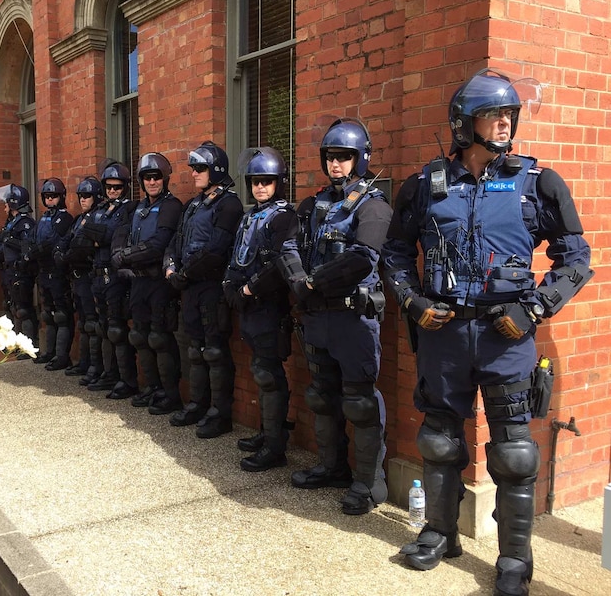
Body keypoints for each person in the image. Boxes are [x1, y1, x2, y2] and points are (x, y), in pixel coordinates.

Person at [382, 69, 593, 596]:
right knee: (438, 439)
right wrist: (414, 301)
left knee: (514, 452)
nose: (504, 122)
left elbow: (576, 258)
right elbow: (392, 255)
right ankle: (438, 532)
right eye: (492, 114)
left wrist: (535, 309)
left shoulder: (537, 183)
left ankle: (514, 562)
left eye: (510, 114)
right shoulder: (425, 185)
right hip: (444, 333)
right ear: (463, 123)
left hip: (507, 337)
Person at [290, 118, 391, 515]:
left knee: (360, 403)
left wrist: (312, 282)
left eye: (345, 157)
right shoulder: (313, 204)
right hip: (318, 318)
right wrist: (297, 277)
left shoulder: (374, 205)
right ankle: (330, 467)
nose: (336, 164)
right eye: (331, 157)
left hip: (353, 320)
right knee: (321, 396)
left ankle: (369, 484)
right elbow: (289, 245)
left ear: (360, 159)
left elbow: (362, 257)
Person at [223, 147, 301, 457]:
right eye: (255, 181)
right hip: (249, 307)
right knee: (260, 370)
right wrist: (230, 284)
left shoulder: (284, 217)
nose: (260, 187)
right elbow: (237, 255)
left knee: (269, 374)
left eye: (266, 182)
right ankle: (265, 433)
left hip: (268, 305)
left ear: (278, 183)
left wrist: (249, 290)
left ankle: (274, 445)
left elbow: (280, 265)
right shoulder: (249, 216)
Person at [165, 142, 244, 435]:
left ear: (216, 170)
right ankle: (198, 404)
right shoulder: (194, 204)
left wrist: (184, 273)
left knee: (214, 351)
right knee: (195, 350)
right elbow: (176, 240)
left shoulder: (229, 203)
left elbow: (217, 249)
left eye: (200, 168)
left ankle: (219, 414)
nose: (194, 173)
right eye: (193, 168)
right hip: (188, 288)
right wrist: (170, 267)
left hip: (211, 288)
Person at [109, 153, 184, 407]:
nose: (152, 182)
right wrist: (118, 254)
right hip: (138, 282)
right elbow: (121, 233)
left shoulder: (171, 206)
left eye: (156, 177)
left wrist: (126, 255)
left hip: (159, 283)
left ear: (164, 179)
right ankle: (152, 388)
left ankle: (170, 393)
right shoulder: (138, 208)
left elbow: (158, 244)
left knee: (159, 338)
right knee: (140, 336)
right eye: (147, 178)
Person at [80, 161, 137, 394]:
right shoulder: (101, 209)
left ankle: (127, 381)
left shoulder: (129, 208)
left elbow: (114, 235)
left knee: (116, 328)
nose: (113, 191)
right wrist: (97, 235)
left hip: (115, 275)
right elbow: (85, 235)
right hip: (97, 273)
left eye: (118, 187)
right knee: (103, 327)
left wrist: (97, 234)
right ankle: (109, 373)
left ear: (125, 187)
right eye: (109, 187)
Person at [55, 177, 104, 383]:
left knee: (93, 323)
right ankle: (84, 364)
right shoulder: (79, 219)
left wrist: (67, 255)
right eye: (81, 196)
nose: (83, 200)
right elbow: (66, 240)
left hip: (88, 274)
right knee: (84, 322)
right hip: (76, 277)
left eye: (87, 196)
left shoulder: (97, 217)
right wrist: (60, 252)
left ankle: (95, 367)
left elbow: (83, 247)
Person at [30, 178, 75, 370]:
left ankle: (62, 356)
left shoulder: (65, 218)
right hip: (43, 270)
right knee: (47, 314)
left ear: (61, 197)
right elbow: (34, 237)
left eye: (54, 196)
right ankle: (50, 352)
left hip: (58, 272)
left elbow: (55, 241)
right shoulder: (43, 217)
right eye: (47, 197)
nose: (50, 200)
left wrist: (39, 249)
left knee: (62, 315)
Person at [0, 184, 38, 350]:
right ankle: (13, 342)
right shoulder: (12, 222)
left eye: (6, 204)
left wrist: (10, 241)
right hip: (9, 270)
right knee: (11, 306)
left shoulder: (25, 223)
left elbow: (27, 248)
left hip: (20, 272)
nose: (4, 207)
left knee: (22, 309)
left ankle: (26, 345)